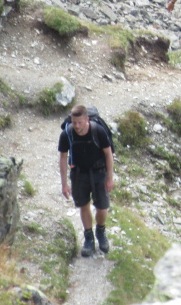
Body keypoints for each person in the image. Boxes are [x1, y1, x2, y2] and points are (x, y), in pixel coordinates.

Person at [58, 105, 114, 257]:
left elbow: (108, 154)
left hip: (99, 172)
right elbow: (63, 158)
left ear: (86, 119)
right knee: (84, 206)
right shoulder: (67, 134)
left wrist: (109, 177)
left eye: (79, 122)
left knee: (102, 207)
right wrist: (64, 184)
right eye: (74, 122)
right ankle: (89, 237)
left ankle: (100, 231)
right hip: (78, 174)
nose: (76, 126)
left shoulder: (98, 131)